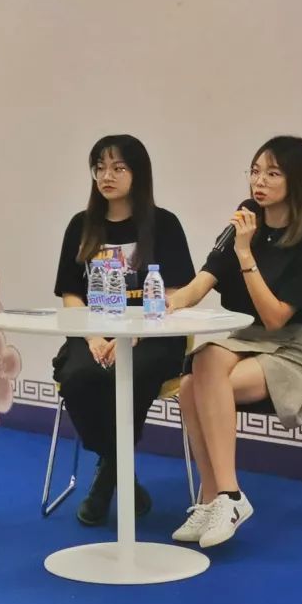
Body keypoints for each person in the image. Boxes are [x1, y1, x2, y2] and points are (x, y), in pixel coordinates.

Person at [167, 135, 302, 549]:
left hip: (294, 348)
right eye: (255, 171)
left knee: (198, 383)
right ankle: (213, 499)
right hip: (248, 338)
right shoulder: (244, 219)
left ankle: (229, 495)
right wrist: (164, 303)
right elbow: (201, 283)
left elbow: (275, 318)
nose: (260, 182)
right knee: (195, 375)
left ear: (296, 181)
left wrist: (245, 254)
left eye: (273, 174)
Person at [53, 134, 195, 526]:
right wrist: (93, 337)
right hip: (95, 333)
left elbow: (174, 294)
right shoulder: (81, 226)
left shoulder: (164, 225)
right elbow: (71, 294)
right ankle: (119, 468)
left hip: (155, 335)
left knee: (130, 374)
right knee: (77, 375)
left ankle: (105, 480)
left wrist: (134, 335)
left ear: (138, 173)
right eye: (99, 168)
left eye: (118, 167)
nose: (106, 176)